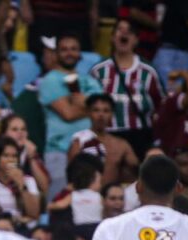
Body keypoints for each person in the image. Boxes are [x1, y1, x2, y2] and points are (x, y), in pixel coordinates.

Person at [39, 33, 104, 199]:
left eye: (74, 49)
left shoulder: (90, 81)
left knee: (91, 200)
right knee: (59, 199)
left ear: (80, 54)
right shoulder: (49, 81)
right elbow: (68, 114)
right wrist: (87, 104)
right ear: (56, 54)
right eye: (64, 49)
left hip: (89, 150)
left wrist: (77, 101)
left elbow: (103, 110)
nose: (69, 53)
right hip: (59, 150)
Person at [89, 18, 164, 158]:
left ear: (136, 40)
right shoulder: (98, 71)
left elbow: (161, 106)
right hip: (108, 134)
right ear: (112, 38)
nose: (124, 33)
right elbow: (89, 104)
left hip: (140, 135)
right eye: (119, 30)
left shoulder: (148, 72)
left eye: (129, 31)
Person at [68, 93, 139, 186]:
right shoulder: (79, 141)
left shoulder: (121, 144)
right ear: (89, 113)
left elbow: (136, 170)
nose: (101, 115)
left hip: (112, 197)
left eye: (106, 111)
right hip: (87, 196)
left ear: (112, 114)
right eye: (96, 110)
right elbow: (71, 175)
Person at [0, 114, 51, 197]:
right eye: (14, 129)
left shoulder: (30, 152)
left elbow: (45, 188)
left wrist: (32, 158)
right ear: (3, 134)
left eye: (23, 129)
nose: (20, 133)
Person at [0, 136, 41, 227]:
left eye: (14, 156)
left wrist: (22, 185)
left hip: (23, 229)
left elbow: (34, 214)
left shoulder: (28, 181)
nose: (11, 160)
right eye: (6, 156)